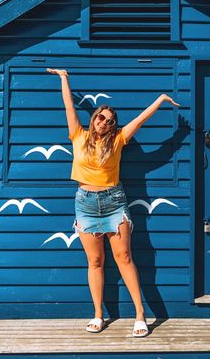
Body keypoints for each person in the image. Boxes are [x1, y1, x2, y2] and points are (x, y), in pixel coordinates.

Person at [47, 67, 180, 337]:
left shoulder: (119, 139)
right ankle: (98, 315)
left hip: (114, 202)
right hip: (85, 203)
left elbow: (142, 122)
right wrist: (64, 79)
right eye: (100, 118)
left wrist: (161, 99)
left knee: (124, 258)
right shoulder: (78, 135)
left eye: (109, 121)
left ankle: (140, 315)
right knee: (95, 262)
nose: (104, 123)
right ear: (94, 118)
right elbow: (69, 106)